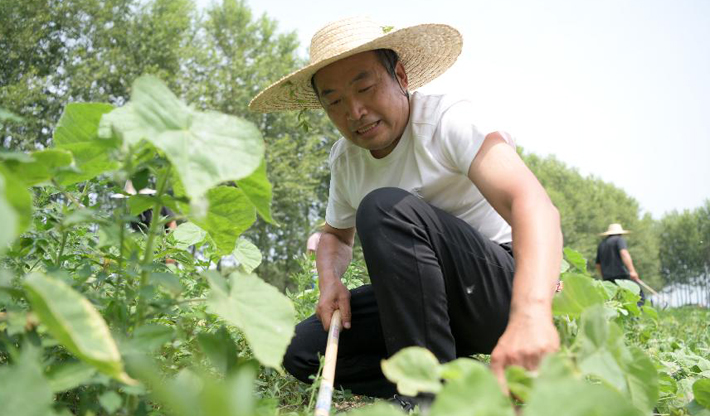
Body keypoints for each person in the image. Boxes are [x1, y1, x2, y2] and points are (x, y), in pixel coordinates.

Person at [249, 16, 563, 402]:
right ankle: (456, 386)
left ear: (400, 75)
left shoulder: (449, 120)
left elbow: (533, 205)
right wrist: (329, 281)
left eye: (364, 87)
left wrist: (532, 312)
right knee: (298, 349)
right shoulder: (346, 159)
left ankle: (421, 398)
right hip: (416, 306)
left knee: (384, 207)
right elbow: (334, 236)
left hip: (496, 293)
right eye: (335, 102)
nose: (355, 111)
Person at [595, 223, 645, 303]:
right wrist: (632, 271)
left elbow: (597, 265)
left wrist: (604, 276)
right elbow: (624, 253)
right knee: (638, 296)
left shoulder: (602, 244)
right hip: (622, 277)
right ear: (620, 233)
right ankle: (634, 315)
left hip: (608, 279)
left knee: (614, 301)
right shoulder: (619, 240)